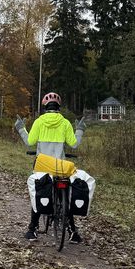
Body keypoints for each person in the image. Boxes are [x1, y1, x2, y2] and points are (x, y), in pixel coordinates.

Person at [14, 92, 87, 243]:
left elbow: (29, 142)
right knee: (66, 195)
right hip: (61, 167)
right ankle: (73, 232)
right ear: (58, 107)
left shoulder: (39, 122)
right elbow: (74, 144)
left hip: (42, 166)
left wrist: (21, 127)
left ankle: (32, 230)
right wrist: (80, 129)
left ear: (45, 106)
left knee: (38, 193)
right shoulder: (65, 123)